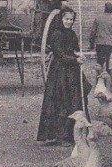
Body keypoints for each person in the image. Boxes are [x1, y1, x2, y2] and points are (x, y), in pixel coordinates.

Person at [37, 8, 91, 145]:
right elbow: (60, 55)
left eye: (71, 20)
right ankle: (60, 136)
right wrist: (75, 59)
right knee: (62, 100)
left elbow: (73, 49)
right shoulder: (56, 35)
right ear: (61, 19)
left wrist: (78, 54)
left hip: (72, 71)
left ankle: (74, 133)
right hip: (59, 72)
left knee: (76, 98)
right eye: (66, 19)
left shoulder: (72, 33)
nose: (69, 22)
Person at [88, 2, 112, 69]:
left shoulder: (98, 18)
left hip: (100, 44)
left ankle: (98, 77)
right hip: (110, 45)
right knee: (109, 64)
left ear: (105, 9)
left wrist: (91, 44)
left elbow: (93, 33)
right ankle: (108, 77)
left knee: (99, 63)